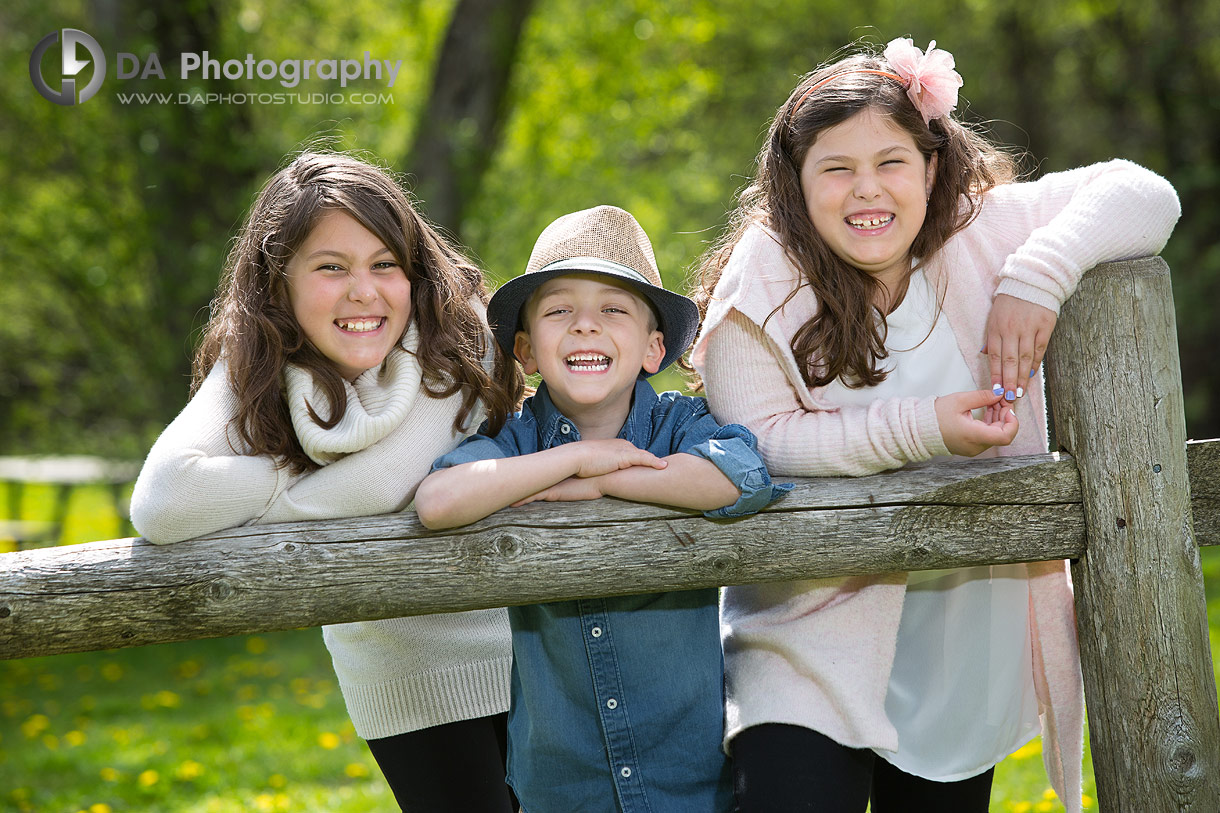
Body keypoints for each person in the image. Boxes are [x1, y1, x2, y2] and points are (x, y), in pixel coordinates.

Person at [691, 37, 1180, 813]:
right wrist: (925, 428)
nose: (866, 190)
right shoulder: (768, 274)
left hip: (966, 634)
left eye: (890, 161)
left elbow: (1146, 193)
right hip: (810, 629)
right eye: (836, 168)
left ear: (930, 164)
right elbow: (763, 439)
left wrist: (1038, 275)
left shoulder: (981, 233)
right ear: (795, 182)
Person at [128, 151, 523, 812]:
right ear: (279, 283)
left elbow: (384, 484)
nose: (362, 292)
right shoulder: (256, 352)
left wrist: (261, 493)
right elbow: (164, 501)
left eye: (383, 265)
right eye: (330, 267)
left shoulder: (460, 332)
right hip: (399, 671)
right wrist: (313, 482)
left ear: (413, 271)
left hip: (528, 651)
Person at [415, 204, 789, 812]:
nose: (585, 326)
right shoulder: (514, 439)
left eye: (613, 310)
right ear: (526, 351)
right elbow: (438, 500)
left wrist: (608, 482)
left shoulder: (678, 423)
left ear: (652, 347)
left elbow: (739, 475)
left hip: (690, 775)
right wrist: (574, 462)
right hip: (564, 781)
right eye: (559, 310)